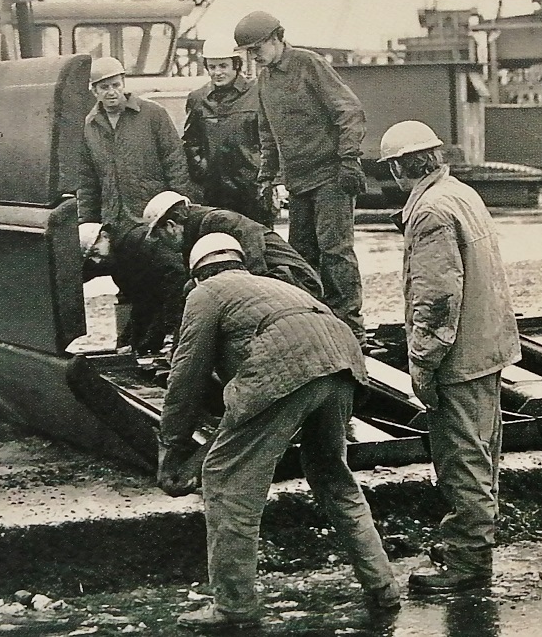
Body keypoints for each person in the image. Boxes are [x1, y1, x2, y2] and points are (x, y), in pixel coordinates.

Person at [158, 233, 400, 629]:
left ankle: (234, 607)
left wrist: (171, 447)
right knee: (332, 475)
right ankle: (383, 584)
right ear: (239, 262)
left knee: (226, 479)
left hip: (286, 366)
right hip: (343, 363)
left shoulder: (206, 294)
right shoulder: (273, 286)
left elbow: (186, 377)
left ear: (197, 274)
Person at [378, 120, 521, 594]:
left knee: (462, 460)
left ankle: (468, 563)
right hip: (487, 346)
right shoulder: (461, 193)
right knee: (482, 453)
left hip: (459, 356)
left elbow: (437, 296)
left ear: (401, 166)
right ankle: (470, 545)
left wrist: (422, 358)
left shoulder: (431, 212)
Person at [233, 10, 367, 338]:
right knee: (301, 254)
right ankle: (315, 321)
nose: (254, 56)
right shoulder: (264, 79)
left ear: (278, 37)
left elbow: (349, 111)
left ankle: (349, 325)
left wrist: (349, 158)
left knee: (334, 248)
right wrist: (268, 175)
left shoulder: (309, 65)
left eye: (258, 48)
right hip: (298, 181)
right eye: (249, 52)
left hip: (331, 175)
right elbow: (268, 131)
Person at [77, 55, 194, 230]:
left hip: (155, 220)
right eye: (104, 87)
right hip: (114, 223)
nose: (111, 92)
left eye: (116, 85)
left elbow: (175, 164)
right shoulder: (90, 126)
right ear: (94, 91)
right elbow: (87, 182)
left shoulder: (153, 114)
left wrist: (180, 213)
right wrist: (88, 225)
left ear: (123, 83)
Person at [142, 190, 324, 300]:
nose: (161, 242)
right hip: (280, 286)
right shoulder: (193, 236)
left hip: (300, 285)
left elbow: (255, 269)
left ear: (171, 226)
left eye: (159, 235)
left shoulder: (218, 221)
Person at [182, 40, 273, 227]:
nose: (217, 72)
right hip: (215, 192)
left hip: (252, 190)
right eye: (212, 66)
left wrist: (265, 177)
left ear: (236, 65)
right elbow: (191, 141)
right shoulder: (198, 99)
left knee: (257, 242)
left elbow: (270, 138)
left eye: (223, 66)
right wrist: (202, 169)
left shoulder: (257, 92)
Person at [79, 221, 187, 355]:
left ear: (105, 235)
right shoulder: (117, 253)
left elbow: (176, 278)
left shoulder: (137, 242)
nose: (97, 260)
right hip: (158, 298)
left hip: (180, 297)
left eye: (95, 251)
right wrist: (131, 342)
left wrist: (168, 330)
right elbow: (141, 303)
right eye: (91, 257)